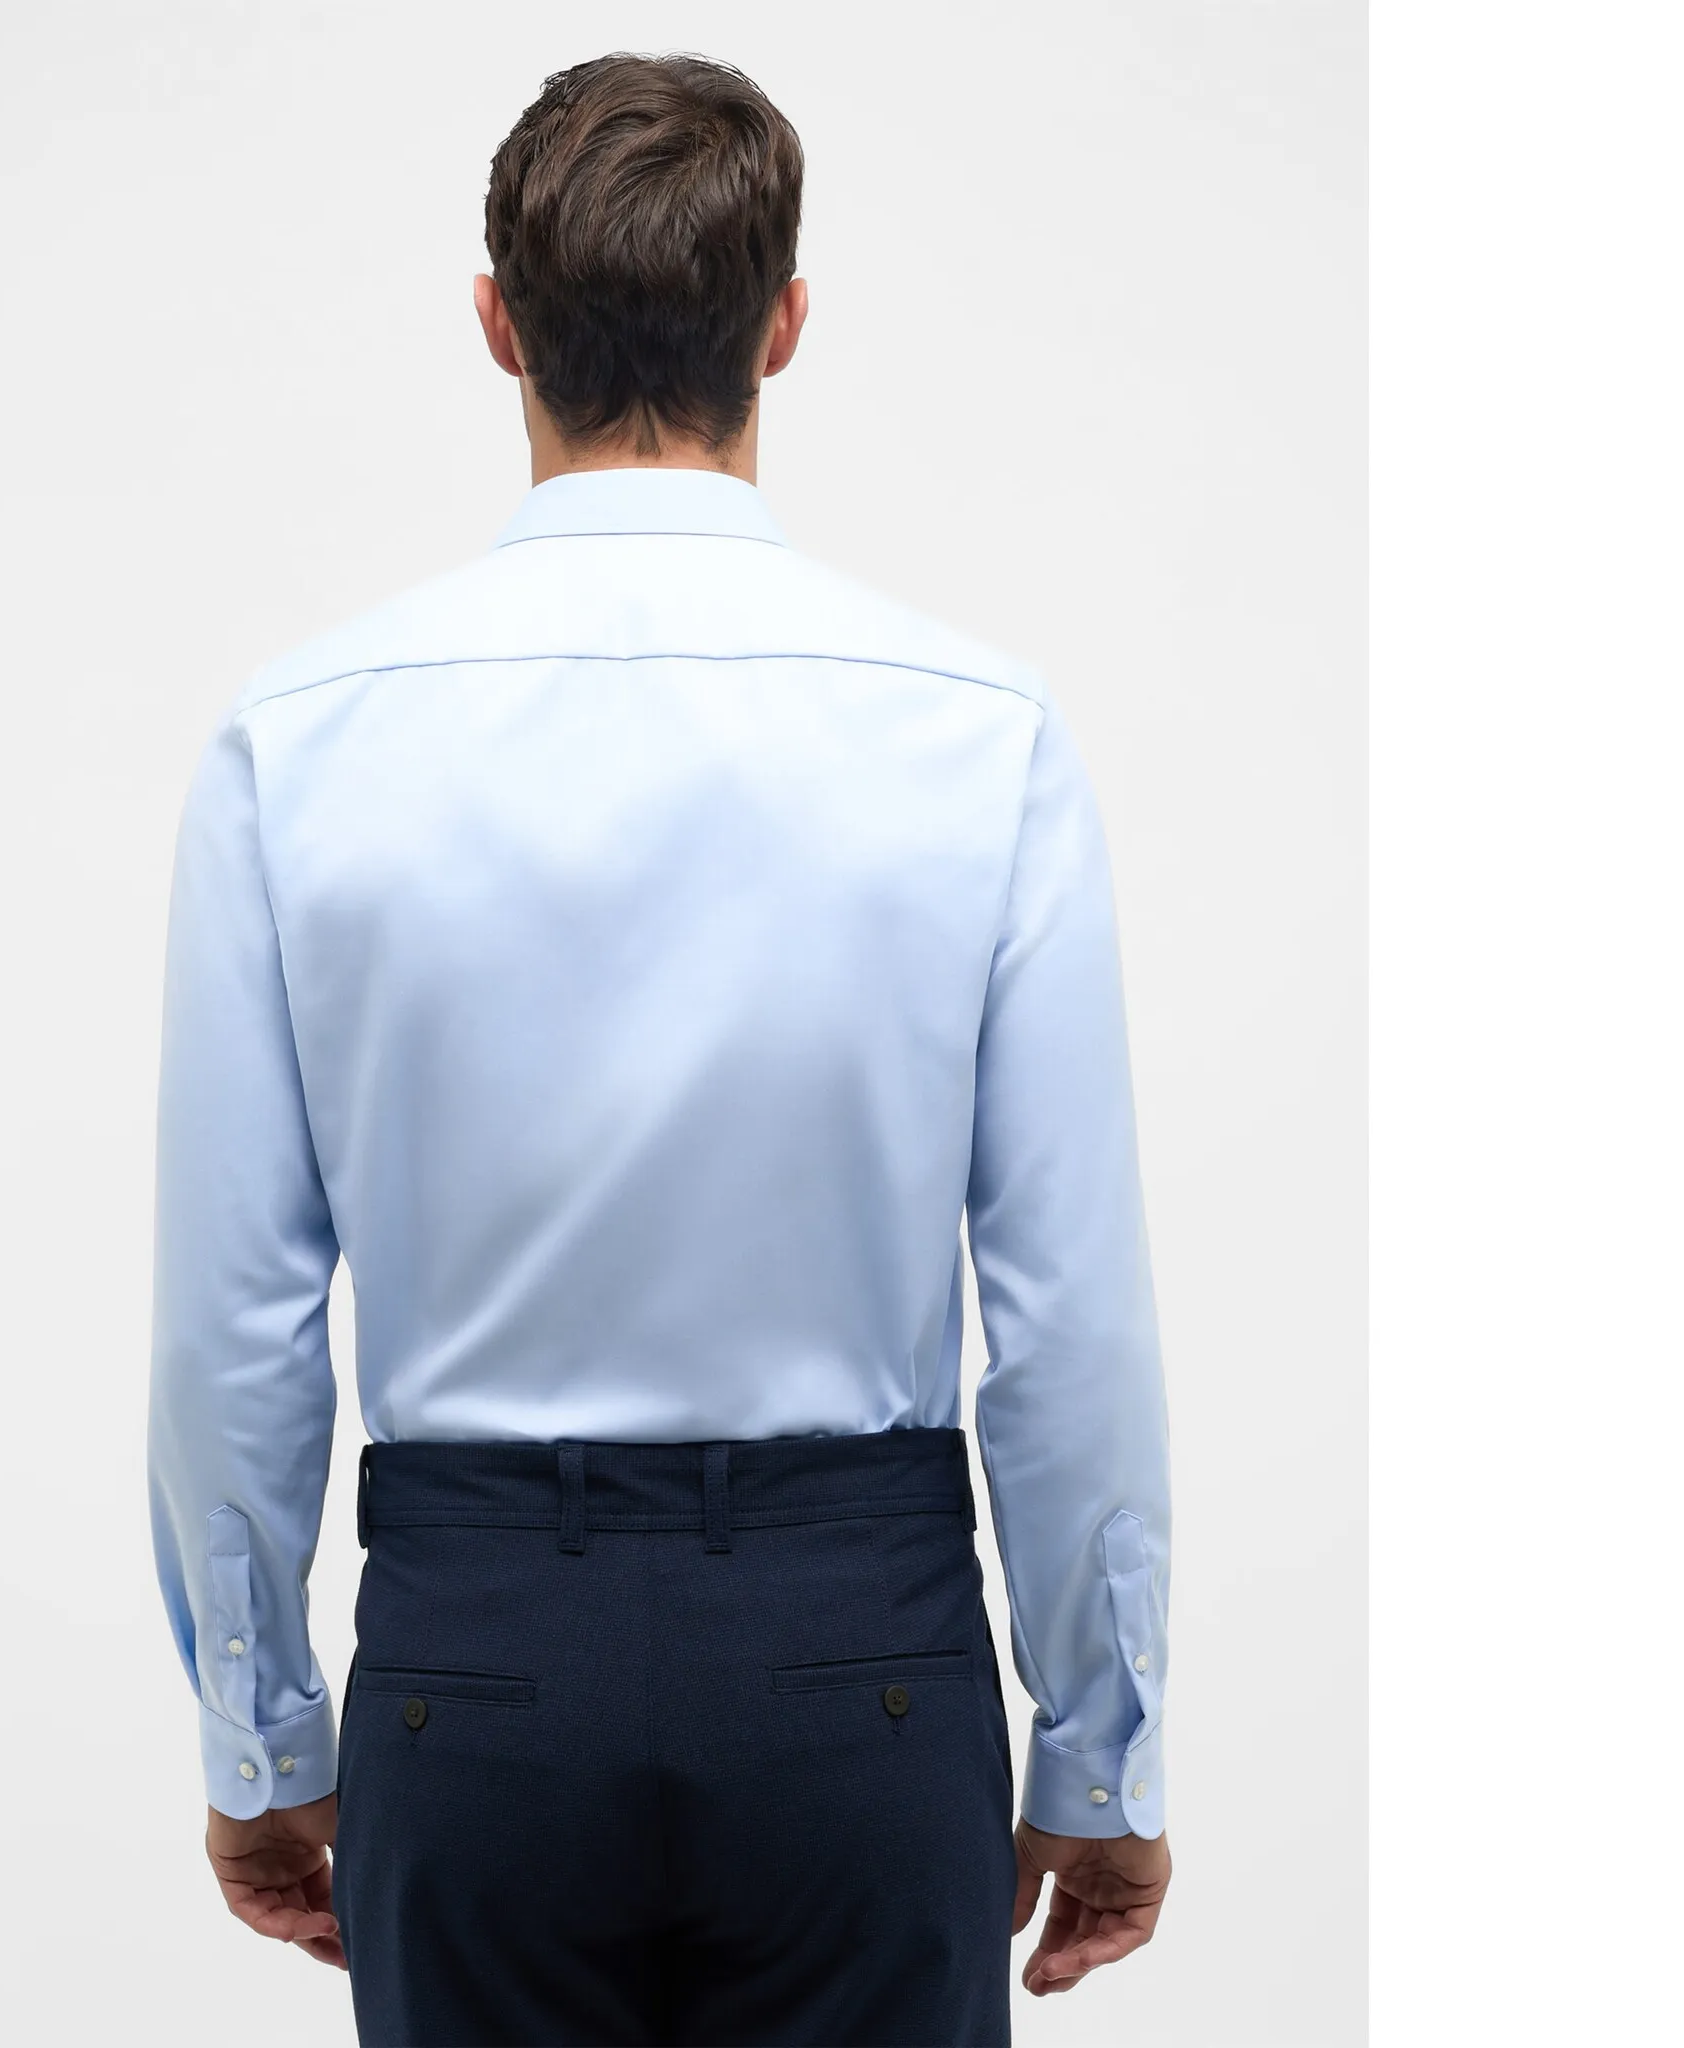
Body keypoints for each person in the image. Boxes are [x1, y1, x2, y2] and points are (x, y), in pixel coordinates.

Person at [148, 50, 1172, 2047]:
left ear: (496, 326)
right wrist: (1102, 1748)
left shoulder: (296, 744)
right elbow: (1069, 1319)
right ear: (782, 324)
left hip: (474, 1666)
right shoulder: (978, 736)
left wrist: (259, 1730)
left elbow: (232, 1324)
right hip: (861, 1662)